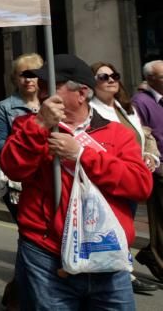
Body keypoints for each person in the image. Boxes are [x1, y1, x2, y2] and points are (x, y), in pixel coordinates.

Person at [2, 54, 153, 309]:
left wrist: (82, 155)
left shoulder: (116, 134)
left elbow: (140, 185)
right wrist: (40, 124)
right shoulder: (28, 125)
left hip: (107, 254)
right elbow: (13, 167)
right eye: (41, 84)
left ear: (81, 93)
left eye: (52, 86)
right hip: (47, 252)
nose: (42, 92)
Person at [89, 61, 160, 296]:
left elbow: (144, 134)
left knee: (125, 224)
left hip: (134, 175)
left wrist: (150, 154)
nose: (111, 80)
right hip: (113, 177)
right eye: (103, 77)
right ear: (91, 83)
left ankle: (121, 266)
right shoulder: (93, 111)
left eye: (115, 75)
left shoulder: (125, 106)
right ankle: (123, 273)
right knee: (115, 225)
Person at [0, 53, 43, 219]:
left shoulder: (52, 102)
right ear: (15, 79)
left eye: (32, 74)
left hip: (48, 175)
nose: (28, 80)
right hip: (17, 179)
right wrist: (23, 149)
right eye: (22, 75)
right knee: (27, 224)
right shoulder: (4, 107)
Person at [133, 60, 163, 284]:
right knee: (160, 221)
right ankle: (158, 260)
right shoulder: (140, 102)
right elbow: (141, 137)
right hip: (159, 169)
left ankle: (150, 252)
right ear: (151, 79)